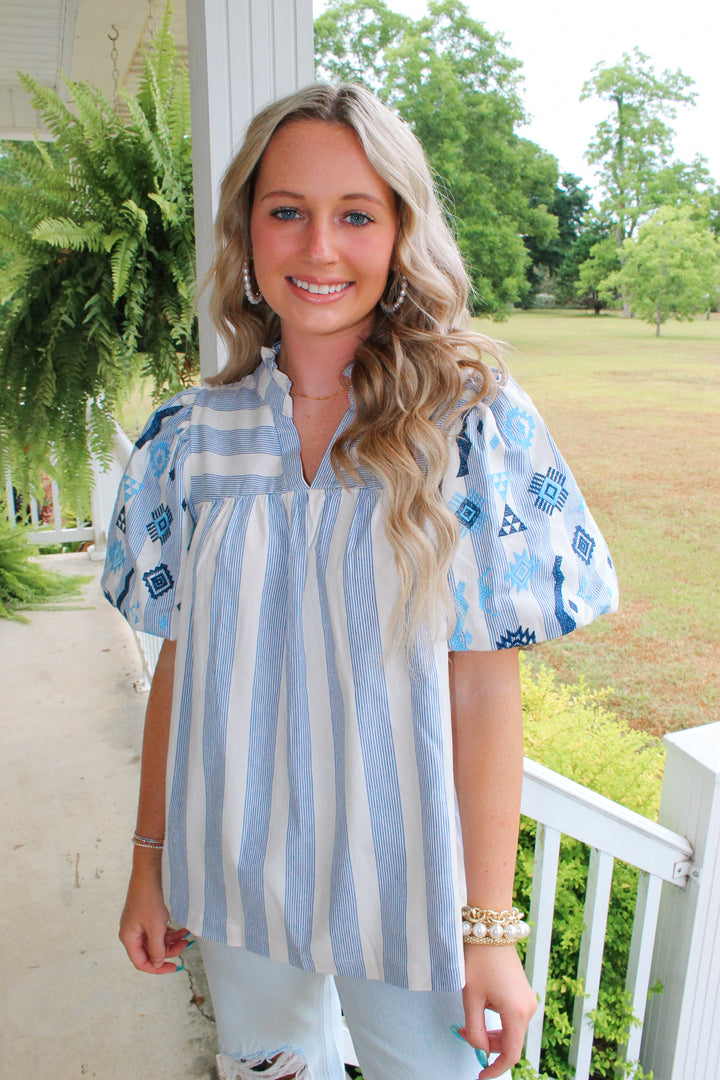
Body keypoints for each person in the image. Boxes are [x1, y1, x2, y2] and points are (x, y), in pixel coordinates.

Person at [102, 82, 618, 1080]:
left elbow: (482, 684)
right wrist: (148, 864)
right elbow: (180, 662)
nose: (319, 249)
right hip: (236, 879)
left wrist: (490, 929)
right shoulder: (192, 440)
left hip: (409, 892)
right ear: (246, 232)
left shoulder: (467, 426)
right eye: (286, 211)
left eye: (356, 215)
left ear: (399, 235)